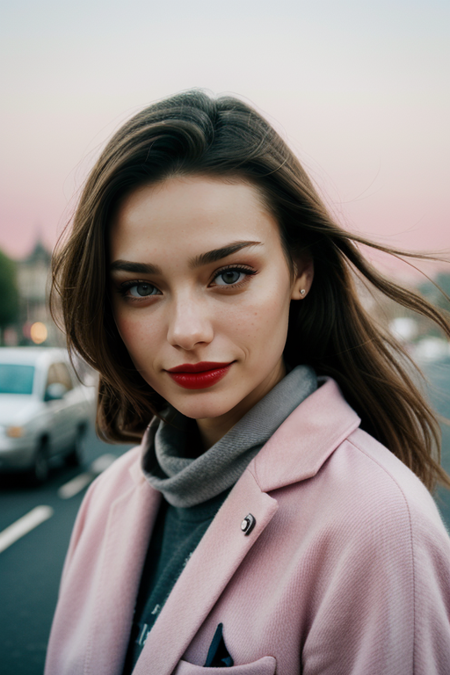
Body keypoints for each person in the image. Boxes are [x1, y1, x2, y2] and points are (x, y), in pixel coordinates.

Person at [45, 90, 450, 675]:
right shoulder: (106, 499)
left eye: (229, 274)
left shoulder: (379, 528)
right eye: (141, 287)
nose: (186, 331)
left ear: (301, 270)